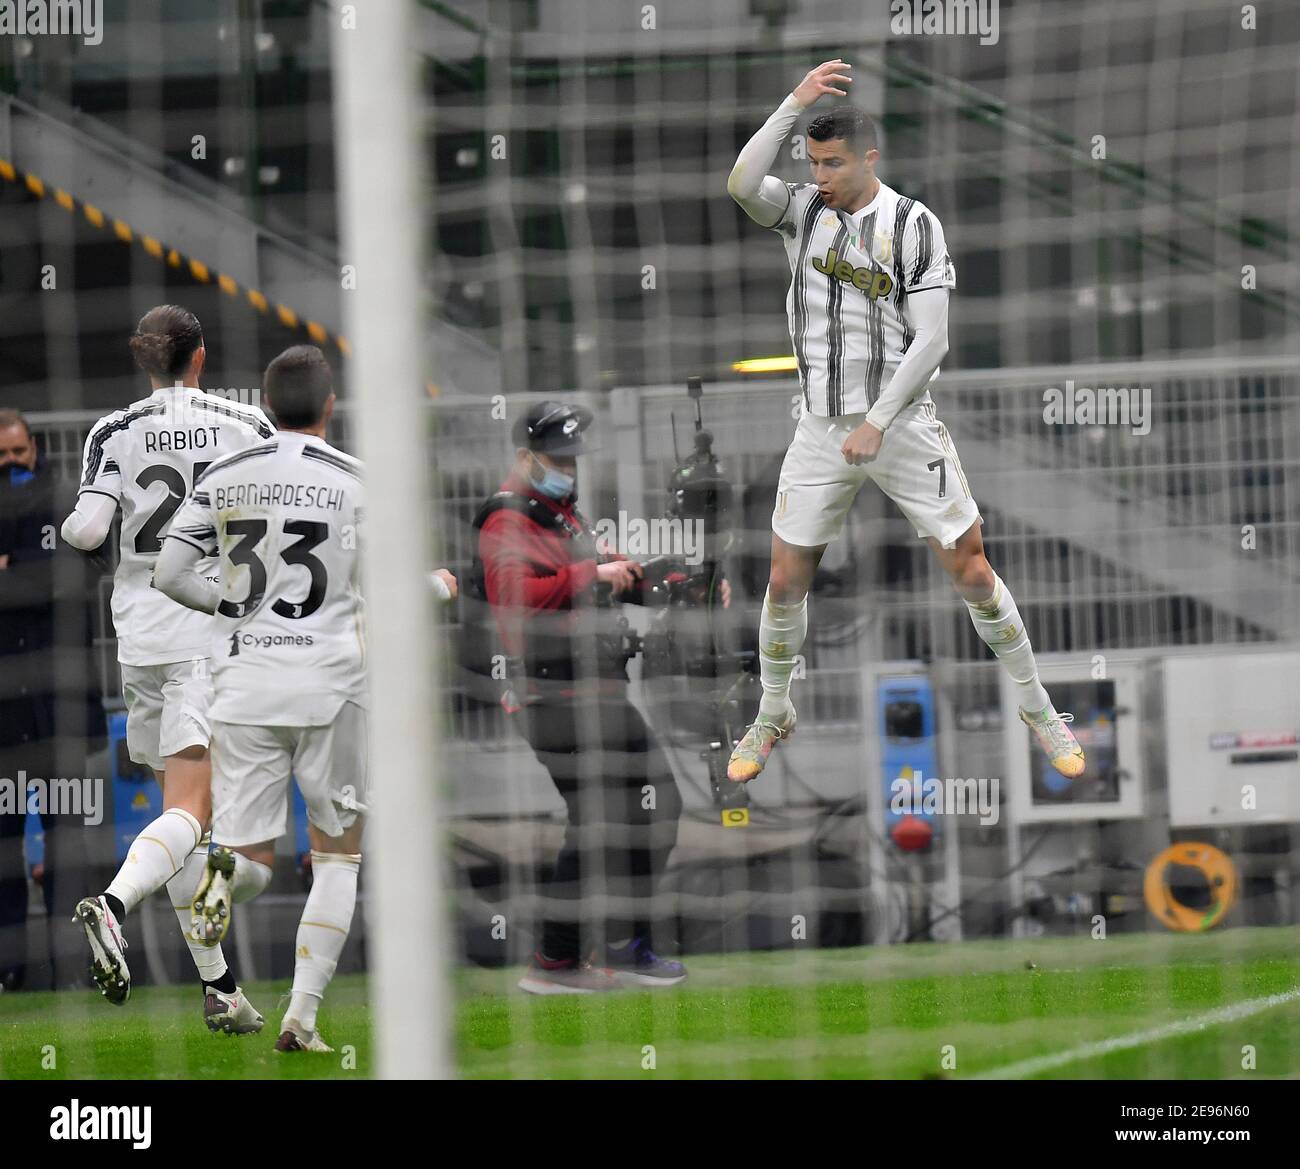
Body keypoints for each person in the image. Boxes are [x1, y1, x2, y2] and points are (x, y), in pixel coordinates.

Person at [724, 59, 1085, 785]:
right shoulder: (802, 210)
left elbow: (933, 340)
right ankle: (772, 710)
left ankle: (1038, 705)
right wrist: (795, 101)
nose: (820, 174)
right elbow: (739, 183)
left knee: (972, 568)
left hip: (903, 424)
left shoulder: (914, 224)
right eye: (813, 161)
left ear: (869, 157)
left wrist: (881, 421)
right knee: (784, 578)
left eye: (833, 162)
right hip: (822, 427)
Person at [156, 345, 379, 1051]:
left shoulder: (227, 473)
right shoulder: (355, 480)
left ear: (263, 400)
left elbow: (168, 571)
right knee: (338, 856)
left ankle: (215, 881)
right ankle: (301, 1016)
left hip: (244, 684)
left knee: (249, 858)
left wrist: (229, 604)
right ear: (331, 405)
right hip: (331, 684)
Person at [61, 305, 272, 1033]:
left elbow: (85, 529)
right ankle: (113, 906)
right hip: (209, 628)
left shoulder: (112, 430)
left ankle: (219, 989)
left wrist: (100, 536)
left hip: (139, 636)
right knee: (195, 814)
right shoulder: (241, 422)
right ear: (201, 357)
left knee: (179, 818)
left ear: (144, 360)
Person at [471, 401, 705, 994]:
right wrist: (595, 577)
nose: (570, 470)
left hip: (591, 688)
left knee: (635, 810)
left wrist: (654, 576)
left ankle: (582, 955)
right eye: (558, 460)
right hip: (555, 694)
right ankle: (584, 955)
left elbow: (588, 584)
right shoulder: (508, 518)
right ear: (526, 459)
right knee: (619, 812)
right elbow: (517, 606)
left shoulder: (559, 515)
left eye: (574, 460)